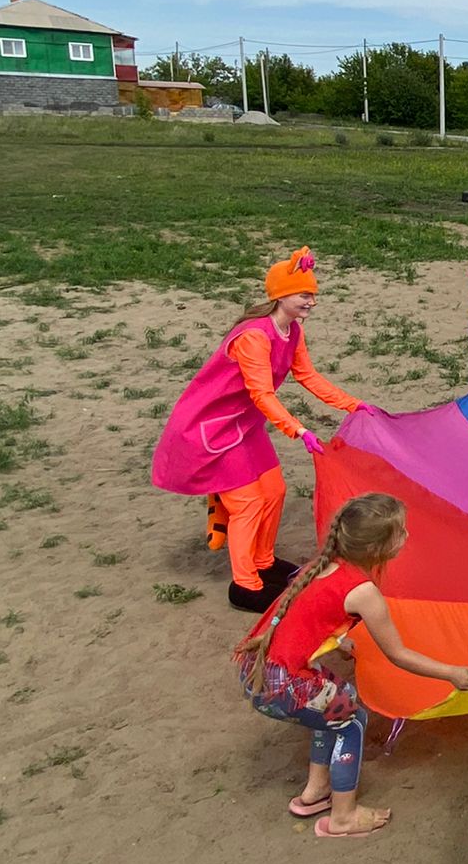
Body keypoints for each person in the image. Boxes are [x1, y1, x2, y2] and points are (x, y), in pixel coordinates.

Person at [233, 492, 468, 837]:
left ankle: (315, 791)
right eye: (401, 533)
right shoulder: (363, 592)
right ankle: (343, 817)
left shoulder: (321, 566)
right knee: (351, 719)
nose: (407, 537)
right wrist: (450, 673)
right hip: (278, 684)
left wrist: (340, 641)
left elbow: (307, 618)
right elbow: (399, 654)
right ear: (378, 548)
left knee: (333, 702)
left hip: (256, 669)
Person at [152, 246, 378, 612]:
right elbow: (261, 393)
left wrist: (353, 404)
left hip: (242, 426)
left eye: (314, 295)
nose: (312, 302)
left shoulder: (292, 333)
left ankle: (263, 560)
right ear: (281, 295)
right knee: (247, 503)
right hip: (210, 431)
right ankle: (245, 584)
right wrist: (299, 431)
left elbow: (308, 377)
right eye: (305, 295)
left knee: (273, 489)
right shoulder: (254, 337)